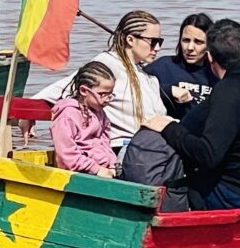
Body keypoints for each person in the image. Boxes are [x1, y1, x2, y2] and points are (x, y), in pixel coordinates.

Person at [142, 19, 240, 210]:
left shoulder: (230, 90)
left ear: (210, 57)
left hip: (236, 197)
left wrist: (169, 128)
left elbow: (207, 154)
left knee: (170, 191)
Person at [20, 10, 167, 150]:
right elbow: (64, 88)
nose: (158, 48)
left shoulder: (147, 77)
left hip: (153, 147)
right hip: (124, 149)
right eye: (153, 42)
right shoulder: (109, 64)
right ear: (130, 39)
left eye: (160, 41)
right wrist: (26, 114)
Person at [50, 61, 119, 178]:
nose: (107, 99)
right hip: (80, 174)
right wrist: (96, 169)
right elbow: (66, 154)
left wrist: (112, 164)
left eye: (110, 94)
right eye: (102, 94)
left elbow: (105, 144)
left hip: (103, 170)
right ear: (84, 91)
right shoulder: (67, 116)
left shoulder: (100, 114)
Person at [144, 12, 219, 118]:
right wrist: (168, 91)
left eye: (198, 42)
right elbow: (135, 86)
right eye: (186, 40)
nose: (190, 47)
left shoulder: (218, 72)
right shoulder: (164, 66)